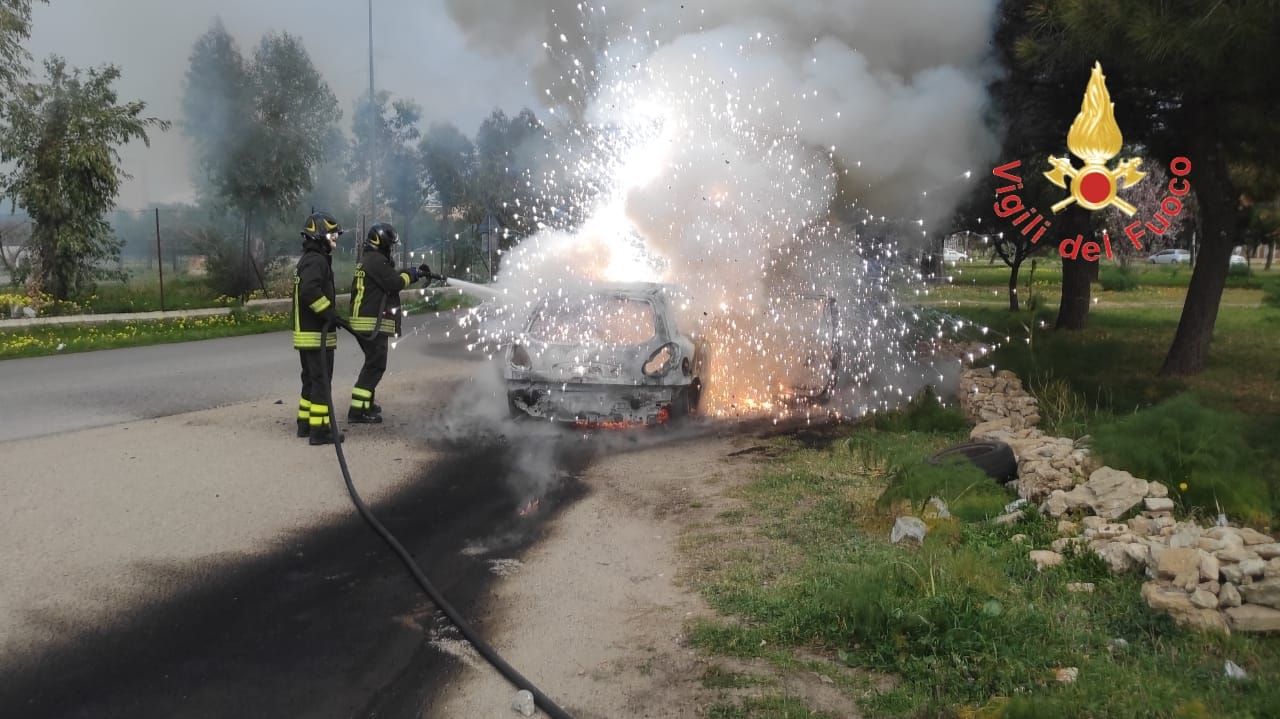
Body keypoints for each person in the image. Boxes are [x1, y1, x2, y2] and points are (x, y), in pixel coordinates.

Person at [346, 222, 433, 423]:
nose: (391, 249)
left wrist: (413, 271)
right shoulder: (376, 261)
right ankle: (357, 411)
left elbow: (388, 276)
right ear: (381, 243)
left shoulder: (370, 260)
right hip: (371, 322)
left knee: (371, 363)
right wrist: (410, 275)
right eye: (389, 245)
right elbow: (394, 282)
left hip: (363, 320)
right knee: (376, 365)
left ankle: (365, 403)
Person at [293, 211, 346, 445]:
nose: (335, 238)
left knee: (311, 381)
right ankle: (320, 431)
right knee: (322, 382)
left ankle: (304, 424)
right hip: (316, 334)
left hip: (308, 334)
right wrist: (329, 313)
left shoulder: (308, 259)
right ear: (319, 235)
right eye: (332, 234)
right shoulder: (316, 261)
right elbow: (309, 292)